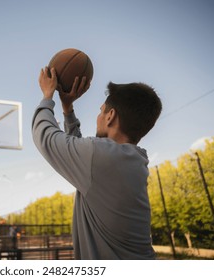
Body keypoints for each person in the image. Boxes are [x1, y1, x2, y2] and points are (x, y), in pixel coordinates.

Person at [32, 67, 162, 259]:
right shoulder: (130, 160)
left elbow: (45, 137)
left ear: (110, 116)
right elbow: (83, 154)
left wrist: (47, 95)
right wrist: (67, 108)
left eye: (101, 111)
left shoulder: (103, 157)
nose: (98, 116)